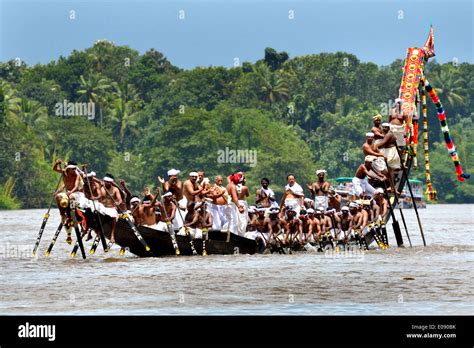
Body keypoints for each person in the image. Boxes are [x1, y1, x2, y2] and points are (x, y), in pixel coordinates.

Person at [98, 174, 122, 243]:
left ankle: (112, 235)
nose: (107, 183)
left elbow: (119, 199)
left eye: (109, 182)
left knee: (114, 217)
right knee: (97, 213)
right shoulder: (101, 188)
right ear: (104, 181)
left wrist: (118, 203)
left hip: (111, 208)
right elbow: (98, 197)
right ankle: (98, 231)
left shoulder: (115, 189)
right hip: (103, 207)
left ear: (111, 182)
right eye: (106, 182)